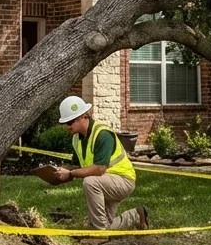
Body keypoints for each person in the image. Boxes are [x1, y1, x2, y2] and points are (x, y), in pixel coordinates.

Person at [53, 96, 149, 231]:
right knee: (106, 225)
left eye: (69, 122)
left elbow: (99, 169)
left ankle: (99, 234)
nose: (66, 127)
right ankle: (137, 216)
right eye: (65, 123)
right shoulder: (77, 139)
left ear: (82, 117)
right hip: (105, 182)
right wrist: (60, 173)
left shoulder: (102, 134)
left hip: (122, 180)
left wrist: (70, 174)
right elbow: (79, 166)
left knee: (90, 182)